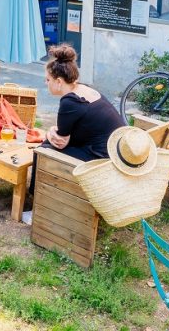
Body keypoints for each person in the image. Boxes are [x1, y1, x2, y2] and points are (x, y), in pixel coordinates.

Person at [23, 44, 126, 224]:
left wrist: (49, 132)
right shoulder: (83, 89)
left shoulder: (69, 101)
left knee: (42, 151)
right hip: (115, 151)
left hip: (100, 158)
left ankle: (38, 208)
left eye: (47, 80)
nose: (46, 83)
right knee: (47, 146)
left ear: (59, 81)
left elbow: (60, 141)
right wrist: (56, 132)